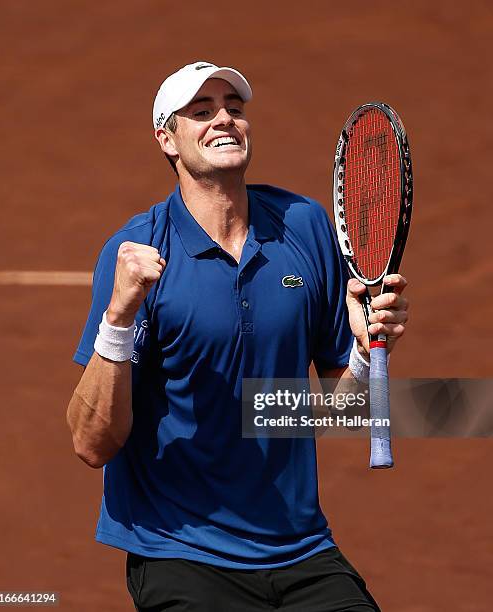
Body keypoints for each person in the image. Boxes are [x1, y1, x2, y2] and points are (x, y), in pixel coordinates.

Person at [67, 61, 409, 611]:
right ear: (167, 139)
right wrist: (119, 315)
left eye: (234, 108)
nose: (223, 119)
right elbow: (91, 444)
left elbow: (337, 414)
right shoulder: (134, 251)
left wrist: (367, 351)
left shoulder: (304, 226)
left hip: (300, 549)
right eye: (201, 112)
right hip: (181, 552)